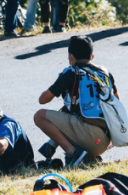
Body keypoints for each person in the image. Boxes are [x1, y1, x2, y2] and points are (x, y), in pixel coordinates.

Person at [34, 36, 119, 168]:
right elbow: (117, 101)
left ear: (71, 56)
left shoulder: (71, 73)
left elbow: (42, 100)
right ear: (92, 56)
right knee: (68, 110)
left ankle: (73, 153)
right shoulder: (105, 73)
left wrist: (59, 83)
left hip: (90, 138)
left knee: (39, 116)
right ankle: (89, 157)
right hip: (107, 139)